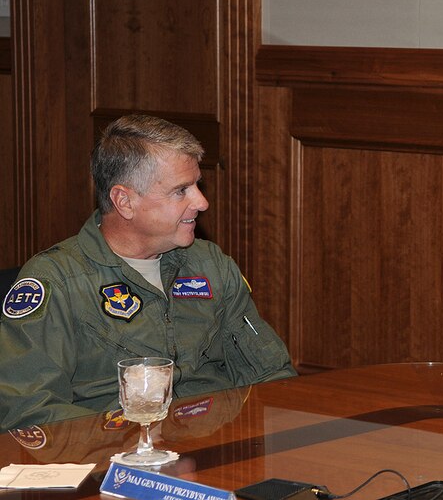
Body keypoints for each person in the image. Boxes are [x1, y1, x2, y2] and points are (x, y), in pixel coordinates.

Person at [0, 115, 296, 429]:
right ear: (124, 201)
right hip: (110, 462)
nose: (202, 202)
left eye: (197, 185)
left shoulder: (210, 264)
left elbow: (272, 376)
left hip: (217, 451)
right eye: (181, 190)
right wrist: (136, 443)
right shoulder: (57, 281)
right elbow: (29, 414)